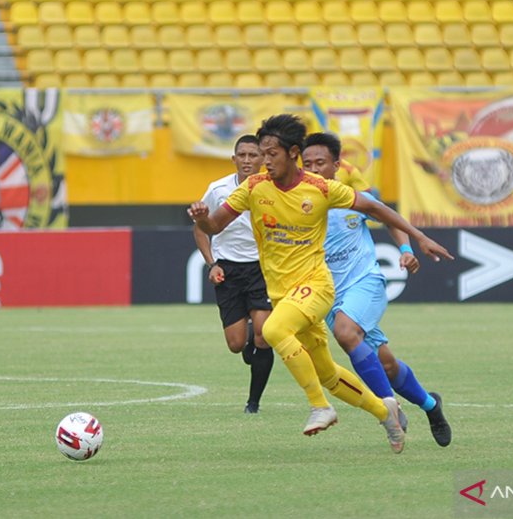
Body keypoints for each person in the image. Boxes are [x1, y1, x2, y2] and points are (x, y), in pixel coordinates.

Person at [188, 114, 453, 454]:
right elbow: (215, 227)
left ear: (292, 152)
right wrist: (203, 219)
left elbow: (376, 208)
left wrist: (417, 239)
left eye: (271, 153)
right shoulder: (253, 188)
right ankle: (384, 412)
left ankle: (320, 406)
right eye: (261, 153)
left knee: (273, 331)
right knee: (327, 372)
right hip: (283, 293)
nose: (264, 161)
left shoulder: (322, 189)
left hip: (317, 286)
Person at [302, 131, 452, 447]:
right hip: (330, 295)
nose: (314, 169)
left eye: (321, 163)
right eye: (307, 164)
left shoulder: (350, 196)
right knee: (386, 363)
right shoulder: (296, 205)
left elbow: (390, 218)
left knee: (345, 332)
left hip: (365, 283)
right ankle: (430, 405)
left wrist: (407, 249)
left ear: (336, 165)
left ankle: (389, 408)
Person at [193, 135, 274, 414]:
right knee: (237, 344)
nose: (248, 160)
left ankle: (253, 403)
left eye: (254, 155)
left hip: (263, 268)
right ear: (234, 159)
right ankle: (250, 329)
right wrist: (211, 263)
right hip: (228, 269)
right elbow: (201, 228)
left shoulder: (273, 189)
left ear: (263, 160)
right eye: (243, 155)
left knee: (265, 337)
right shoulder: (218, 190)